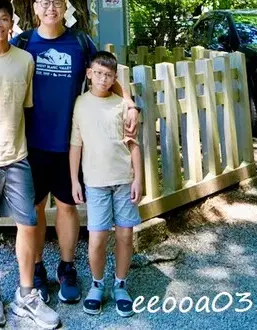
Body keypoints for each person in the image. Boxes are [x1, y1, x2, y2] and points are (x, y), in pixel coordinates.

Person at [10, 0, 139, 305]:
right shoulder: (23, 43)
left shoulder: (80, 42)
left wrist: (130, 102)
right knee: (36, 208)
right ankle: (37, 267)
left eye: (57, 2)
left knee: (68, 207)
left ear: (65, 7)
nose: (50, 8)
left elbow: (105, 72)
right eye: (44, 3)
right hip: (32, 142)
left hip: (71, 143)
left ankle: (67, 267)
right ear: (35, 8)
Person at [0, 0, 61, 329]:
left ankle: (26, 293)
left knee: (29, 223)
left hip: (17, 155)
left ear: (12, 22)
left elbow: (26, 103)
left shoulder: (25, 60)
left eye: (5, 19)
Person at [69, 50, 142, 318]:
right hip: (95, 182)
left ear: (114, 79)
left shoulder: (122, 105)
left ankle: (121, 283)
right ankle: (97, 284)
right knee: (97, 237)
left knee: (124, 234)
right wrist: (74, 180)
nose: (102, 79)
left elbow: (134, 145)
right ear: (89, 74)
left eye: (108, 75)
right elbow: (76, 144)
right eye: (98, 73)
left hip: (123, 180)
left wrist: (139, 179)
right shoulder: (80, 103)